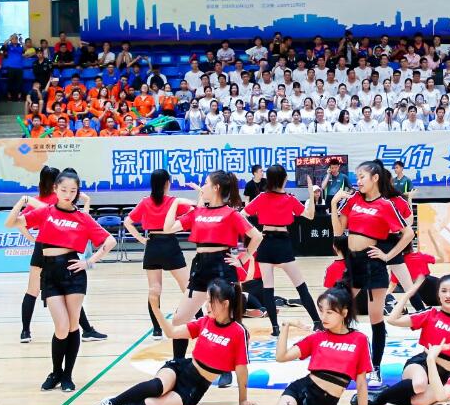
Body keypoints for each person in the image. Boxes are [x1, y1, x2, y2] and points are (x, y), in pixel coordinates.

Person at [194, 287, 370, 405]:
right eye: (321, 311)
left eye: (329, 312)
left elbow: (361, 383)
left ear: (344, 313)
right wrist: (285, 326)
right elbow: (281, 356)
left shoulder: (359, 340)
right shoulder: (317, 337)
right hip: (301, 391)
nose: (323, 317)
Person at [6, 169, 117, 392]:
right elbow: (12, 223)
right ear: (55, 189)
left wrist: (88, 262)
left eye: (73, 191)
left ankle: (67, 375)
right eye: (64, 189)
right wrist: (21, 202)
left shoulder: (82, 217)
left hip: (72, 272)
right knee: (61, 326)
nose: (68, 194)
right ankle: (55, 371)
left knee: (73, 325)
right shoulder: (45, 212)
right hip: (49, 272)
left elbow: (110, 241)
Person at [88, 279, 253, 405]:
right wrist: (156, 309)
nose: (206, 305)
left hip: (194, 388)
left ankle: (125, 403)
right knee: (156, 387)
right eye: (207, 300)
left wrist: (243, 399)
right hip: (181, 368)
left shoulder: (238, 332)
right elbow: (171, 332)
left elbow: (242, 369)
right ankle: (111, 403)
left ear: (225, 304)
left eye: (211, 301)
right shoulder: (204, 322)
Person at [163, 170, 265, 361]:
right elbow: (168, 228)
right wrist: (174, 203)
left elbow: (257, 236)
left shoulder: (231, 214)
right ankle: (178, 362)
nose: (203, 186)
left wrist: (243, 258)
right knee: (179, 319)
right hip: (200, 268)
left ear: (216, 188)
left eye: (206, 183)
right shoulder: (197, 212)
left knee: (226, 321)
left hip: (222, 268)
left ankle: (228, 364)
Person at [331, 160, 416, 386]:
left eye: (362, 177)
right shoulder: (353, 200)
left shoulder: (386, 205)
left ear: (375, 178)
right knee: (337, 306)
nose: (358, 181)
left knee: (375, 317)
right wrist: (333, 204)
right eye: (357, 177)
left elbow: (408, 234)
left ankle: (375, 367)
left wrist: (388, 256)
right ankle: (339, 360)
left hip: (373, 264)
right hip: (353, 262)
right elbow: (339, 231)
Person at [15, 166, 107, 344]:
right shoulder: (59, 200)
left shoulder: (36, 200)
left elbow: (19, 222)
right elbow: (81, 220)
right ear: (56, 183)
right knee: (70, 292)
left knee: (32, 291)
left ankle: (25, 332)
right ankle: (87, 330)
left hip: (41, 247)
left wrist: (32, 239)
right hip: (61, 249)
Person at [366, 275, 450, 405]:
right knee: (419, 384)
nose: (448, 295)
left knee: (418, 402)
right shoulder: (431, 314)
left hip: (446, 375)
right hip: (422, 364)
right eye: (444, 291)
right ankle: (379, 398)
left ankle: (390, 391)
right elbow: (392, 320)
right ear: (438, 294)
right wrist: (408, 294)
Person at [244, 167, 323, 336]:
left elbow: (242, 214)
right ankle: (317, 322)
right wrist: (310, 194)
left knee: (268, 289)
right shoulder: (289, 199)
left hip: (265, 243)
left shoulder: (262, 197)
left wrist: (254, 233)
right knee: (301, 287)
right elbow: (310, 215)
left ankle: (275, 328)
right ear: (284, 179)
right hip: (282, 245)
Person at [124, 169, 190, 339]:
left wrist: (141, 239)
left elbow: (128, 222)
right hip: (169, 243)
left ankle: (156, 329)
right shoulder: (173, 201)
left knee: (154, 289)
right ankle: (197, 319)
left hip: (152, 244)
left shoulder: (145, 202)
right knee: (187, 286)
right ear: (167, 183)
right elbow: (193, 210)